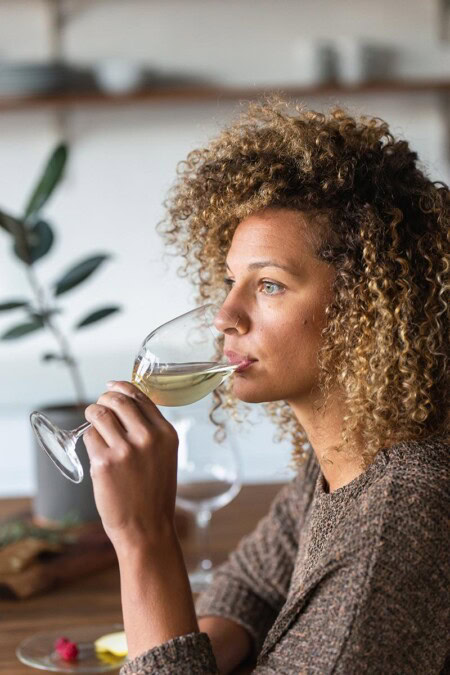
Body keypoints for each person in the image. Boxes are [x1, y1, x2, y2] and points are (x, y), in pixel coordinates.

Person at [83, 99, 449, 674]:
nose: (225, 313)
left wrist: (143, 538)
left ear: (370, 310)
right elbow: (252, 584)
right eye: (232, 280)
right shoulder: (350, 452)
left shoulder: (397, 524)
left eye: (271, 285)